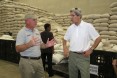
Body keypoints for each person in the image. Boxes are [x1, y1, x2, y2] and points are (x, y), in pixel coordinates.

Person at [63, 8, 101, 78]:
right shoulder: (70, 28)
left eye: (72, 15)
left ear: (79, 16)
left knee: (85, 76)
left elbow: (98, 38)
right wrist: (65, 47)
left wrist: (91, 49)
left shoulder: (88, 26)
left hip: (83, 57)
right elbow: (64, 39)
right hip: (72, 56)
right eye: (70, 16)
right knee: (72, 75)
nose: (70, 18)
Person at [16, 13, 55, 78]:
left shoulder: (36, 31)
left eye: (36, 20)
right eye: (34, 20)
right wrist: (29, 44)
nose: (36, 22)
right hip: (27, 62)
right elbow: (17, 49)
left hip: (39, 61)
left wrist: (46, 45)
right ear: (27, 21)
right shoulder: (22, 32)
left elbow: (41, 45)